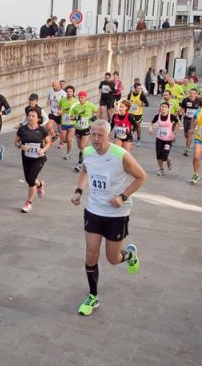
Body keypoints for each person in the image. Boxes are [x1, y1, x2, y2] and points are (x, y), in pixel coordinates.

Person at [70, 119, 147, 316]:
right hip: (94, 210)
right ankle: (93, 296)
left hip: (116, 214)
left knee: (112, 258)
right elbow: (86, 170)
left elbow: (142, 177)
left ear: (108, 136)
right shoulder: (87, 152)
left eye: (100, 135)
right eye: (92, 134)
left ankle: (129, 255)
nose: (95, 139)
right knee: (91, 253)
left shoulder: (120, 155)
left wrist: (123, 196)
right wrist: (79, 190)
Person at [14, 108, 52, 212]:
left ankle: (28, 203)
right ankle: (39, 184)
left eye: (33, 116)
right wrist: (21, 146)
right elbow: (16, 142)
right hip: (26, 157)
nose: (30, 118)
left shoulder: (42, 130)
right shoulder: (22, 129)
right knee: (28, 179)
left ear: (38, 118)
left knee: (31, 180)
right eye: (29, 116)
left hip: (39, 158)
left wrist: (43, 149)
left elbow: (48, 142)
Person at [149, 102, 180, 175]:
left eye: (165, 107)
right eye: (162, 106)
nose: (163, 108)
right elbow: (151, 123)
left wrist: (175, 132)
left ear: (168, 108)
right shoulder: (157, 116)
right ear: (160, 108)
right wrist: (150, 128)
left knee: (164, 156)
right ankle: (161, 169)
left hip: (168, 139)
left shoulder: (171, 116)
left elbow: (179, 123)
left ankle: (167, 159)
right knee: (158, 155)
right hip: (159, 138)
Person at [71, 90, 98, 171]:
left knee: (82, 146)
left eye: (82, 97)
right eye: (79, 97)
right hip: (78, 128)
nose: (80, 99)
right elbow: (71, 117)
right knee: (80, 147)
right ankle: (88, 154)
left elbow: (96, 111)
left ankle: (79, 163)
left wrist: (94, 117)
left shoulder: (90, 105)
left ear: (86, 97)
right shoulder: (75, 106)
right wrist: (76, 118)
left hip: (86, 128)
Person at [179, 88, 202, 156]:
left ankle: (187, 149)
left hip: (194, 120)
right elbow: (182, 108)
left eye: (193, 93)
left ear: (196, 94)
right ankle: (189, 141)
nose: (192, 94)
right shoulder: (185, 100)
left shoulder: (199, 100)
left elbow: (201, 108)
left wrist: (199, 114)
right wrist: (183, 112)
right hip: (186, 118)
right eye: (191, 93)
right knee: (186, 134)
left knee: (190, 133)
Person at [58, 85, 79, 160]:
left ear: (73, 93)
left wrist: (75, 116)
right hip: (64, 122)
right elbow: (59, 107)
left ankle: (68, 153)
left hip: (72, 123)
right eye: (67, 91)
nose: (69, 93)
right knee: (64, 140)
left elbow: (78, 112)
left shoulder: (76, 102)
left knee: (69, 139)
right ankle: (69, 140)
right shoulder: (62, 100)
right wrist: (59, 111)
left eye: (70, 91)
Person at [127, 81, 149, 146]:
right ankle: (129, 138)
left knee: (138, 127)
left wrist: (142, 104)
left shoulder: (142, 95)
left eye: (140, 88)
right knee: (130, 126)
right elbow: (127, 102)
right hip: (130, 113)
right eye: (138, 88)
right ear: (134, 88)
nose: (139, 89)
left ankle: (138, 138)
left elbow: (147, 104)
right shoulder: (130, 94)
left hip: (138, 114)